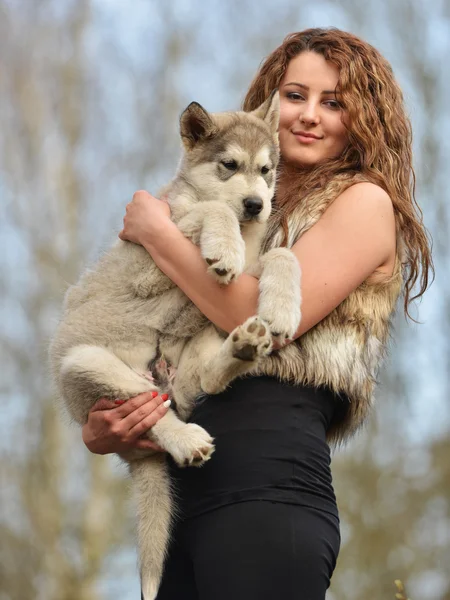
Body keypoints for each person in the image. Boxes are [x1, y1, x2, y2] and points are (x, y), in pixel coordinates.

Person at [82, 28, 433, 599]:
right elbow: (147, 329)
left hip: (268, 493)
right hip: (177, 500)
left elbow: (253, 316)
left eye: (335, 101)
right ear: (271, 102)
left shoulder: (363, 203)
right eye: (296, 95)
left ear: (365, 117)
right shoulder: (241, 203)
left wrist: (158, 231)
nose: (310, 115)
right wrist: (107, 425)